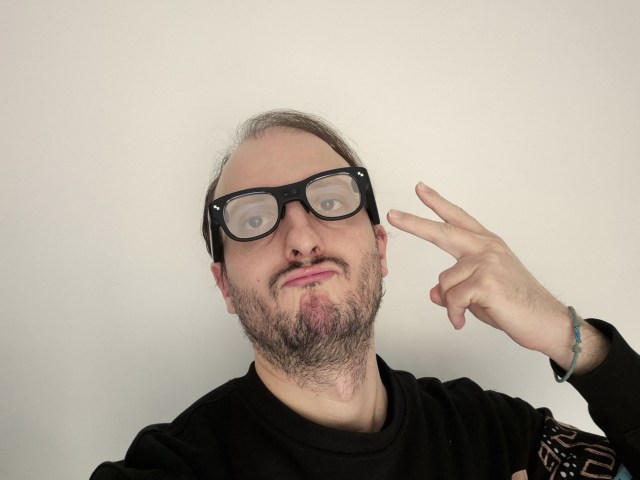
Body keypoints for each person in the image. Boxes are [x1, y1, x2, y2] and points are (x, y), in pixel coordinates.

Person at [91, 110, 639, 479]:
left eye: (330, 202)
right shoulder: (170, 467)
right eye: (253, 219)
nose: (301, 238)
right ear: (225, 285)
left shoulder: (493, 433)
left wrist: (571, 338)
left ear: (379, 249)